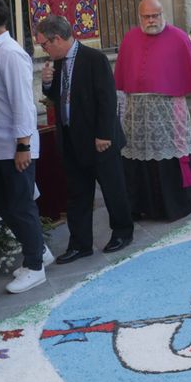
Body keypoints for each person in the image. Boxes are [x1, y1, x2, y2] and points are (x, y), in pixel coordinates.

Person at [0, 0, 51, 294]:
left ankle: (34, 265)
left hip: (14, 144)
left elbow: (23, 103)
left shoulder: (10, 54)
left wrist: (24, 145)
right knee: (4, 204)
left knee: (20, 204)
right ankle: (38, 249)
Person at [37, 15, 133, 262]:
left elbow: (107, 99)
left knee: (113, 189)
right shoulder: (56, 63)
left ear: (57, 39)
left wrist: (104, 134)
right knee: (77, 194)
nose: (43, 49)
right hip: (71, 138)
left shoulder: (94, 59)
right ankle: (80, 244)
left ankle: (122, 232)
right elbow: (58, 98)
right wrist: (47, 85)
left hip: (99, 139)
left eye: (44, 44)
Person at [114, 0, 191, 222]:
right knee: (137, 155)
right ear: (140, 17)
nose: (152, 20)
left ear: (163, 14)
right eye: (147, 16)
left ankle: (173, 206)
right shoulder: (130, 39)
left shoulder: (179, 38)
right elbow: (122, 79)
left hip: (168, 109)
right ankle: (141, 206)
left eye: (155, 15)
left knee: (169, 156)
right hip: (137, 110)